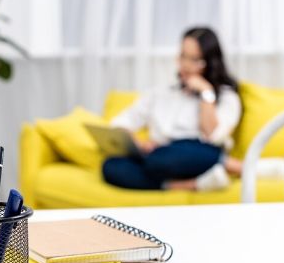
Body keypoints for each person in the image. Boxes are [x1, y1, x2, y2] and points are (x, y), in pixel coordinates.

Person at [102, 26, 243, 191]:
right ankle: (189, 185)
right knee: (111, 166)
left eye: (195, 59)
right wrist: (137, 143)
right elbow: (120, 122)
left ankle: (227, 163)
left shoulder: (227, 97)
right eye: (183, 56)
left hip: (197, 155)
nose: (186, 65)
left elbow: (213, 136)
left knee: (184, 153)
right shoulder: (160, 93)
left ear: (210, 62)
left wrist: (206, 93)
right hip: (160, 157)